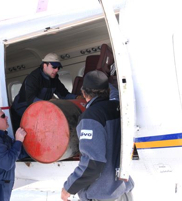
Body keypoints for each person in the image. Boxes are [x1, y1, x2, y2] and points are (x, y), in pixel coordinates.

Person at [61, 70, 134, 201]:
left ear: (83, 93)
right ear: (107, 90)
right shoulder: (119, 108)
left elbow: (93, 163)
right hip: (123, 191)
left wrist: (69, 188)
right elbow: (115, 94)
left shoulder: (91, 118)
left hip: (103, 195)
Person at [11, 52, 81, 130]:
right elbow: (31, 100)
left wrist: (77, 97)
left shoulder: (54, 79)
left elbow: (64, 95)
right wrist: (50, 105)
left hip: (39, 112)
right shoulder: (33, 78)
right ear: (45, 65)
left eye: (58, 68)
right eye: (54, 67)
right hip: (20, 114)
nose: (57, 70)